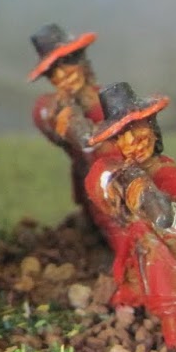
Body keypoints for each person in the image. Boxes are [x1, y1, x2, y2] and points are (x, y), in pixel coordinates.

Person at [84, 83, 176, 352]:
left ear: (154, 131)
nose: (134, 142)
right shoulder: (118, 169)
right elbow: (99, 185)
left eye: (140, 131)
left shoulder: (168, 175)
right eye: (123, 137)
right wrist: (118, 183)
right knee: (131, 286)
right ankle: (126, 314)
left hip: (163, 254)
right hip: (135, 249)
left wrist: (172, 216)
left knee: (172, 302)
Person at [28, 23, 107, 216]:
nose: (62, 74)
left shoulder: (112, 101)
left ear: (82, 60)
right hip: (96, 199)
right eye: (52, 71)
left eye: (69, 60)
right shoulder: (50, 107)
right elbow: (50, 119)